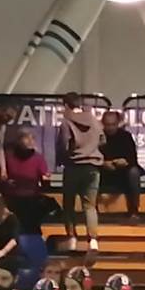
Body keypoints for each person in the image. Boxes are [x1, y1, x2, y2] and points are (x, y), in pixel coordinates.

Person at [58, 92, 103, 256]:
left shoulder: (66, 122)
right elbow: (103, 140)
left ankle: (72, 238)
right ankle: (93, 240)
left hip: (73, 166)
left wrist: (64, 158)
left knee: (69, 204)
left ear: (66, 105)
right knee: (90, 206)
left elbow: (64, 145)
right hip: (93, 166)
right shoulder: (94, 119)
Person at [3, 129, 53, 234]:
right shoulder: (9, 157)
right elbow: (2, 178)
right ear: (18, 140)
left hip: (32, 198)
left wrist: (46, 180)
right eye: (26, 138)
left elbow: (45, 180)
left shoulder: (38, 158)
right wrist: (7, 181)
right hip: (12, 198)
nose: (30, 141)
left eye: (33, 138)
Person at [99, 110, 144, 223]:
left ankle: (134, 210)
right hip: (103, 172)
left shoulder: (125, 136)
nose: (110, 128)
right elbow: (91, 157)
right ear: (103, 124)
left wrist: (124, 162)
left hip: (122, 172)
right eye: (108, 125)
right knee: (89, 171)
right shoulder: (98, 137)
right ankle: (92, 211)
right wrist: (103, 163)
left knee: (134, 172)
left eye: (113, 124)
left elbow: (133, 158)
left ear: (118, 123)